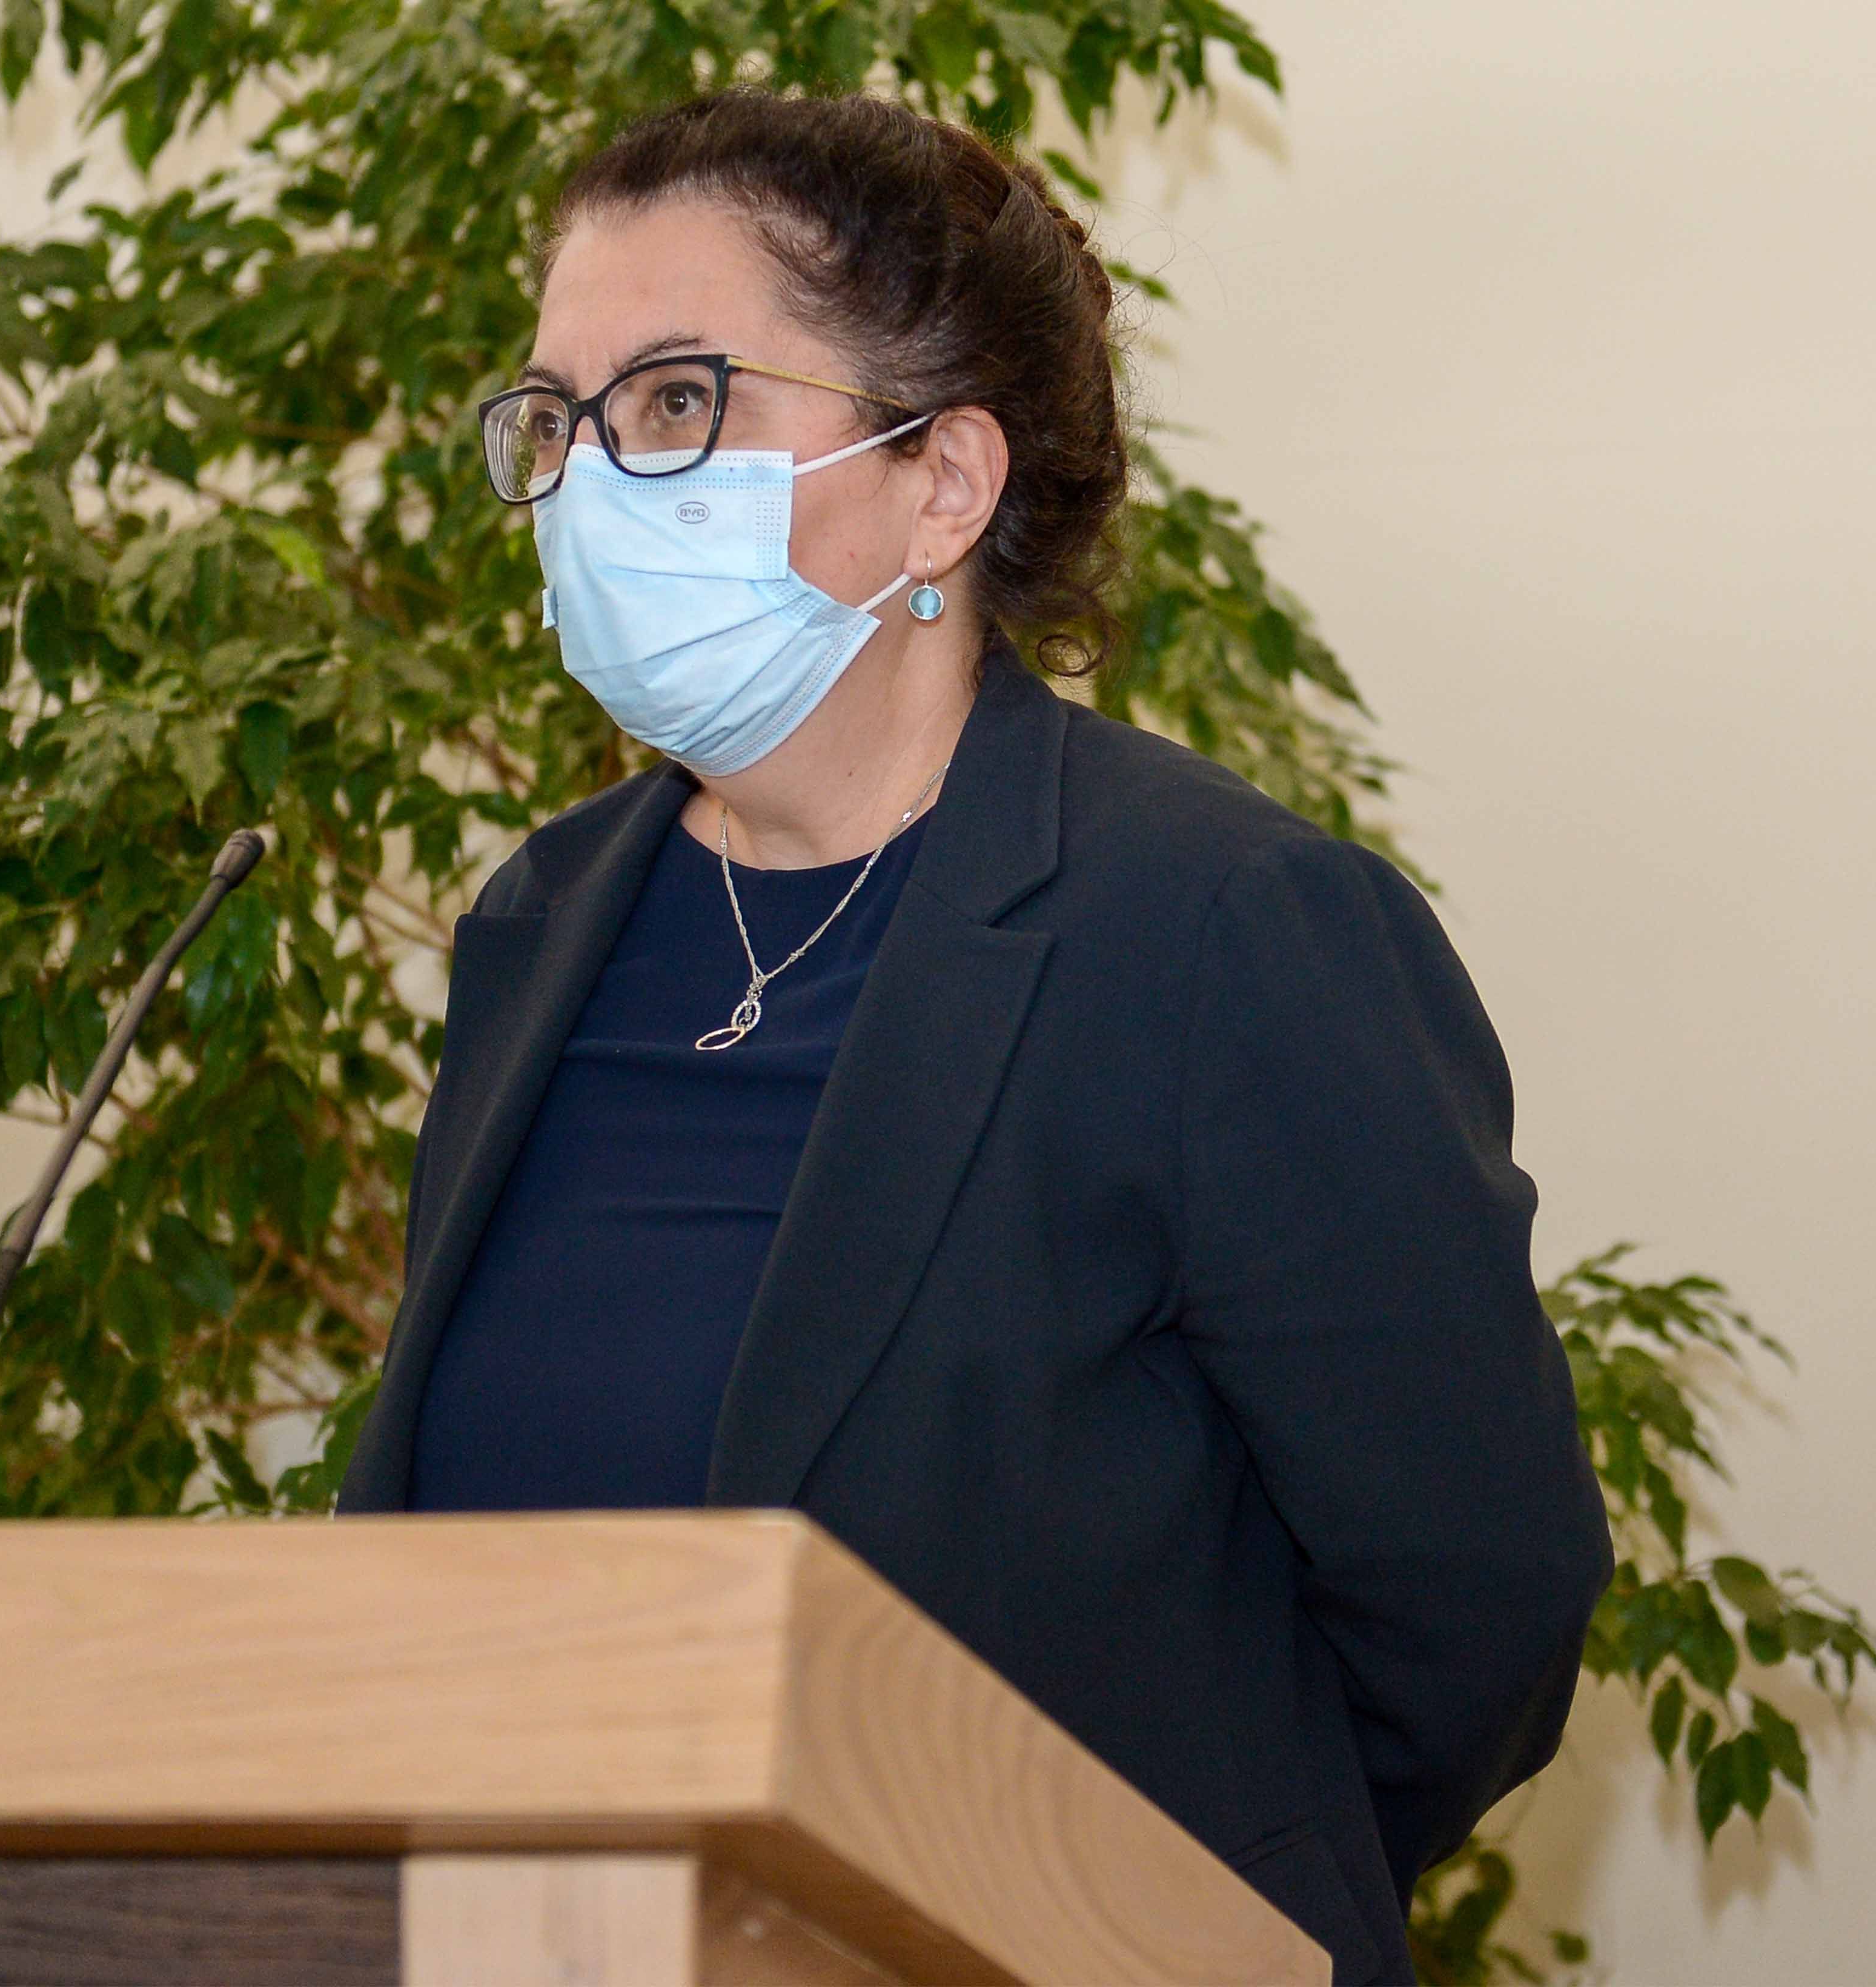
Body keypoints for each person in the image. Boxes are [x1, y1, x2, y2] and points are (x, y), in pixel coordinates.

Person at [334, 87, 1613, 1984]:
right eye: (559, 418)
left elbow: (1476, 1603)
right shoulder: (542, 920)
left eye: (678, 404)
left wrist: (1136, 1896)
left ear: (945, 481)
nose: (594, 483)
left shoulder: (1219, 928)